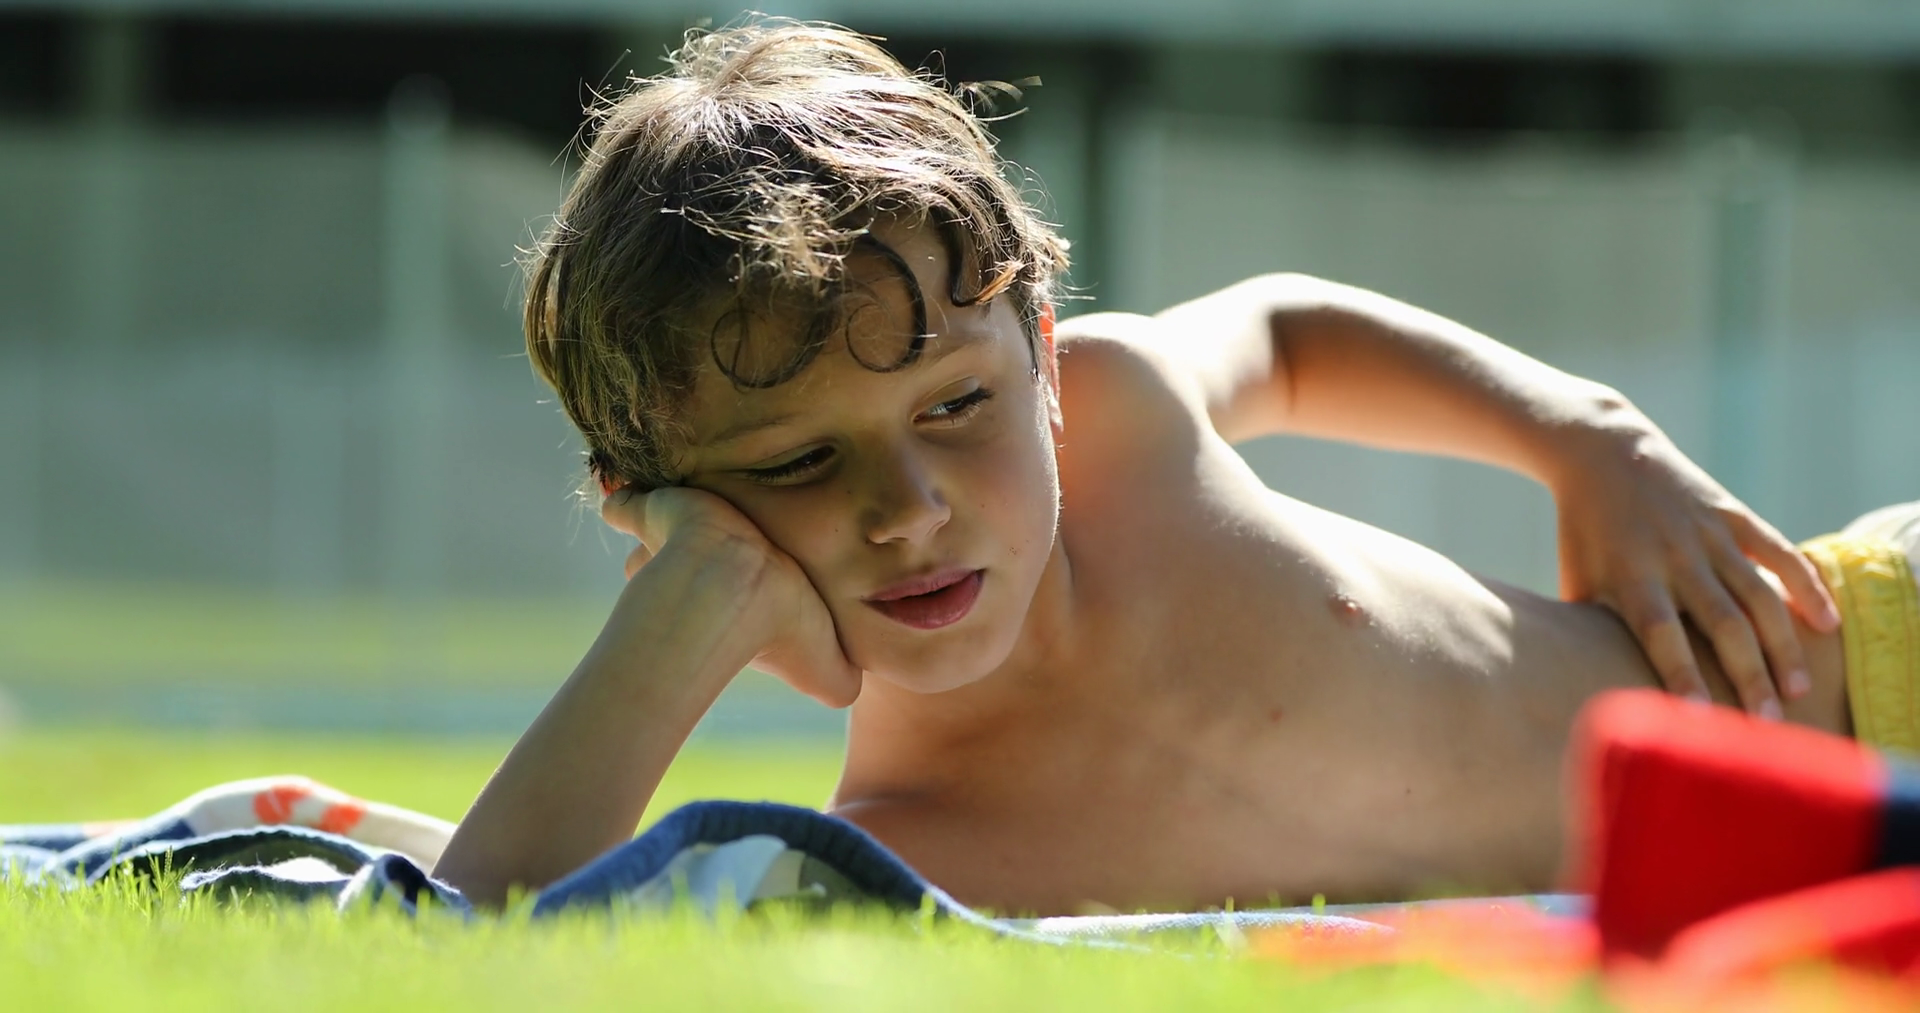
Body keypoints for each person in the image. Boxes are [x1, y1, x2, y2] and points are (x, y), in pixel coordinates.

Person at [431, 20, 1919, 914]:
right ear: (666, 512)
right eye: (804, 462)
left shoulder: (1119, 412)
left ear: (1040, 354)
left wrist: (1592, 438)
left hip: (1858, 651)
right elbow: (480, 929)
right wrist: (682, 617)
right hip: (1830, 865)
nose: (908, 510)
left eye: (957, 406)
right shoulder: (905, 856)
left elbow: (1288, 331)